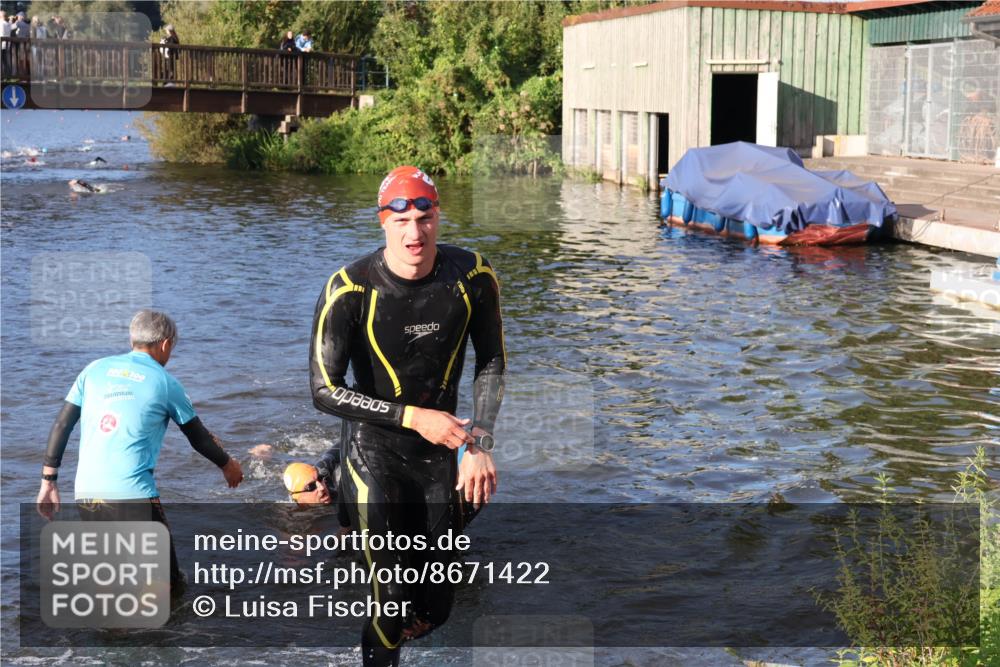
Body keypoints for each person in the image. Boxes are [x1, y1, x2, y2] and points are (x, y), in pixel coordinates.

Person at [310, 165, 505, 666]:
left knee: (435, 608)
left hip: (443, 448)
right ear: (382, 222)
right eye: (402, 221)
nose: (414, 232)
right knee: (391, 598)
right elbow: (324, 390)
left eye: (425, 217)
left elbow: (491, 361)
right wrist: (414, 417)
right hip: (374, 449)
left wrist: (478, 443)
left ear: (439, 216)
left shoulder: (473, 276)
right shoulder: (349, 289)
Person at [35, 310, 244, 592]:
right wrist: (228, 465)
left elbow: (62, 424)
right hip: (132, 495)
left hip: (86, 493)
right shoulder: (166, 382)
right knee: (168, 587)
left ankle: (110, 633)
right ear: (166, 344)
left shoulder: (93, 369)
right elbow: (198, 438)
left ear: (133, 339)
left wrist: (49, 481)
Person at [1, 12, 11, 80]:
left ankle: (2, 76)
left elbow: (1, 33)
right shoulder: (8, 24)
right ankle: (7, 76)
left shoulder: (1, 24)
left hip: (1, 44)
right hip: (6, 44)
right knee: (5, 61)